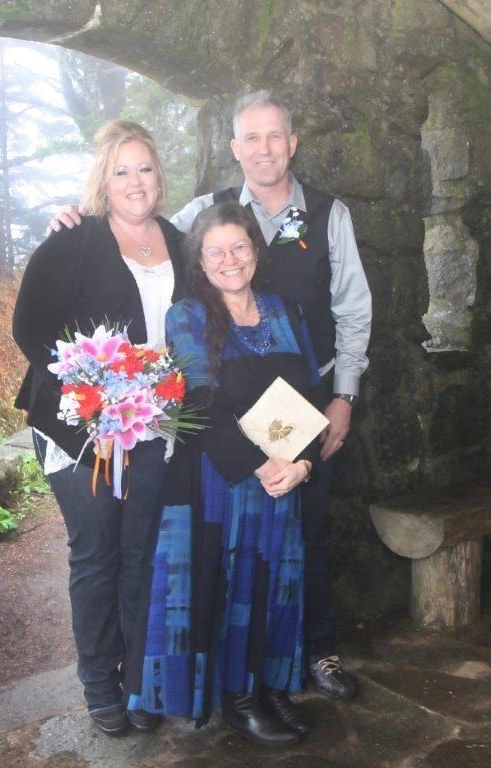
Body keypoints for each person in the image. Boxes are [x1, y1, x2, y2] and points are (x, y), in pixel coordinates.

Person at [48, 90, 372, 700]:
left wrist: (341, 398)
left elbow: (354, 310)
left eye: (274, 136)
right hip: (227, 428)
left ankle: (311, 655)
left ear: (292, 142)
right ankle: (209, 683)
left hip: (308, 401)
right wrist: (77, 218)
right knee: (211, 555)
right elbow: (140, 214)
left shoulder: (329, 215)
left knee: (307, 536)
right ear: (234, 149)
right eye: (250, 138)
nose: (263, 149)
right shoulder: (210, 216)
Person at [123, 201, 324, 745]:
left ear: (255, 251)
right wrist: (262, 465)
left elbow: (310, 396)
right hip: (223, 478)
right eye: (216, 251)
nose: (230, 259)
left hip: (285, 474)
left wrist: (302, 462)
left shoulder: (286, 310)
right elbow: (202, 404)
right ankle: (240, 701)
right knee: (238, 587)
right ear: (201, 262)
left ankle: (274, 687)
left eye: (239, 247)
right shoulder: (186, 315)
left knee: (282, 581)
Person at [12, 120, 186, 737]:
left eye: (144, 168)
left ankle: (138, 677)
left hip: (154, 426)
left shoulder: (180, 240)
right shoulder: (72, 241)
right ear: (102, 181)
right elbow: (31, 329)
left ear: (158, 177)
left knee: (142, 553)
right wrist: (93, 405)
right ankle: (99, 686)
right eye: (121, 170)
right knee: (97, 554)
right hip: (77, 428)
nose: (134, 182)